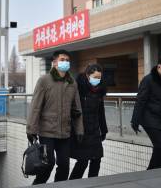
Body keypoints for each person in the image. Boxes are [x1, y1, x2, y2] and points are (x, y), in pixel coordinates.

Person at [26, 50, 84, 185]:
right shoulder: (44, 81)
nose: (65, 62)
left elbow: (77, 109)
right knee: (48, 164)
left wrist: (80, 129)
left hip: (65, 133)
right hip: (47, 131)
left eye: (67, 60)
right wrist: (31, 129)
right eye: (62, 59)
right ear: (54, 63)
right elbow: (35, 106)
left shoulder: (72, 83)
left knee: (64, 166)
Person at [69, 64, 108, 180]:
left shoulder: (99, 91)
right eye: (95, 77)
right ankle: (72, 184)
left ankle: (93, 183)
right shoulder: (78, 89)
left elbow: (101, 112)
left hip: (95, 130)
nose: (97, 80)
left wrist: (103, 129)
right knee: (82, 162)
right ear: (87, 75)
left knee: (97, 159)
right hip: (82, 131)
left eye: (99, 78)